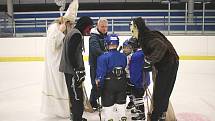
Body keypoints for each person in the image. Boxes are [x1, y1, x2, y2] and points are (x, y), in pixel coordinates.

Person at [130, 17, 179, 121]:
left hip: (168, 64)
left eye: (132, 26)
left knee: (161, 92)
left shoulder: (146, 37)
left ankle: (157, 116)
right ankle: (160, 114)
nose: (130, 29)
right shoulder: (149, 34)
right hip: (169, 63)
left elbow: (161, 46)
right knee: (163, 92)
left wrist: (149, 61)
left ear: (136, 27)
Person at [41, 0, 78, 118]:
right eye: (70, 24)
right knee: (60, 86)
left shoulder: (66, 27)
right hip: (56, 63)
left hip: (64, 62)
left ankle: (70, 107)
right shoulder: (54, 27)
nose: (71, 26)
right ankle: (62, 110)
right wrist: (59, 32)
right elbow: (52, 46)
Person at [59, 16, 94, 121]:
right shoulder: (76, 35)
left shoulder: (73, 32)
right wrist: (76, 69)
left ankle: (76, 117)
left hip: (70, 71)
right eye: (89, 28)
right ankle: (77, 118)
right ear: (84, 26)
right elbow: (71, 53)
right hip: (72, 72)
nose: (89, 30)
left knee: (75, 95)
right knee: (76, 96)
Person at [95, 34, 127, 121]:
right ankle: (122, 117)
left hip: (108, 85)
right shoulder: (123, 56)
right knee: (121, 105)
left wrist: (98, 85)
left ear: (106, 44)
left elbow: (100, 75)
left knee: (108, 107)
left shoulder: (102, 58)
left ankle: (109, 118)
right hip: (121, 83)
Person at [89, 18, 108, 110]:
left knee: (102, 84)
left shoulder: (105, 36)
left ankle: (94, 101)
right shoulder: (94, 37)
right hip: (95, 65)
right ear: (97, 26)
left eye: (106, 26)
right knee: (96, 84)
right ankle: (92, 102)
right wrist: (107, 55)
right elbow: (96, 50)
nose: (104, 28)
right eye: (102, 26)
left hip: (103, 65)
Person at [128, 39, 150, 120]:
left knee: (138, 97)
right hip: (144, 80)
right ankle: (138, 110)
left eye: (131, 45)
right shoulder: (143, 53)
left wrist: (133, 81)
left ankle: (141, 114)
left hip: (139, 81)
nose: (130, 47)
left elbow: (135, 71)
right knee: (138, 97)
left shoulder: (136, 55)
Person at [121, 39, 134, 110]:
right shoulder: (121, 55)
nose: (126, 49)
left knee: (131, 90)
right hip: (123, 77)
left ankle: (132, 101)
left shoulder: (133, 56)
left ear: (131, 49)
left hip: (130, 77)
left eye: (128, 48)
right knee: (124, 90)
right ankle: (122, 102)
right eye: (124, 47)